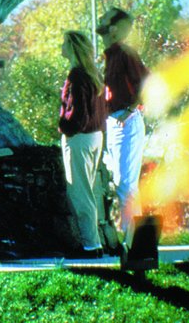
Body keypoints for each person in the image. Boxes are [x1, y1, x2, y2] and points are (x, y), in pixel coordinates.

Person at [96, 7, 149, 232]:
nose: (100, 19)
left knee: (126, 185)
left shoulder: (125, 54)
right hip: (115, 121)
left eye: (106, 18)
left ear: (114, 29)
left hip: (124, 121)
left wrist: (128, 111)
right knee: (122, 184)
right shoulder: (110, 56)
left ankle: (133, 243)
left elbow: (147, 84)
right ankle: (131, 241)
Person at [59, 30, 107, 258]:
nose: (61, 47)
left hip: (80, 138)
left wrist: (64, 127)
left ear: (72, 47)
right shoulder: (92, 74)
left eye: (65, 43)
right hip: (95, 136)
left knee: (79, 193)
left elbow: (77, 114)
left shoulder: (76, 76)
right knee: (88, 191)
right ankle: (94, 243)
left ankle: (90, 246)